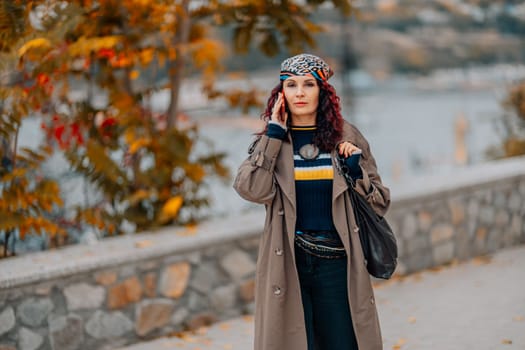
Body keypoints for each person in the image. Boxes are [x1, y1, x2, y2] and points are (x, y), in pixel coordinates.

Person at [233, 53, 390, 350]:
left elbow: (380, 202)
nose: (300, 92)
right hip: (289, 261)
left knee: (344, 342)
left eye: (309, 84)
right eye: (291, 85)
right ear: (281, 94)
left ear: (323, 91)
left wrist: (355, 172)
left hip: (338, 261)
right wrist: (275, 135)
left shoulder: (347, 135)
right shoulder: (273, 141)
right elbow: (251, 189)